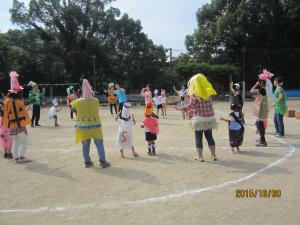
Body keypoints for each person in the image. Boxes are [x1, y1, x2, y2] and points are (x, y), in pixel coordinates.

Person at [175, 73, 217, 162]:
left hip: (199, 119)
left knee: (198, 137)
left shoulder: (194, 94)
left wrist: (179, 108)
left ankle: (200, 157)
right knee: (209, 137)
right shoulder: (209, 92)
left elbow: (189, 106)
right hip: (210, 118)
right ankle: (213, 156)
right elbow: (209, 106)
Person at [70, 79, 110, 168]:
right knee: (99, 143)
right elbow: (96, 108)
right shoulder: (95, 100)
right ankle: (103, 161)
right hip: (95, 126)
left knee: (85, 145)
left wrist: (76, 100)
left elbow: (73, 110)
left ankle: (87, 162)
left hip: (83, 127)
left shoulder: (77, 102)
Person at [3, 71, 31, 163]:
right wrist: (27, 108)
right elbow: (24, 114)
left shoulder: (7, 102)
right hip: (20, 125)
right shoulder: (19, 102)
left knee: (15, 142)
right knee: (23, 141)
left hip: (11, 125)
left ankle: (16, 158)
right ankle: (22, 157)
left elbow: (6, 114)